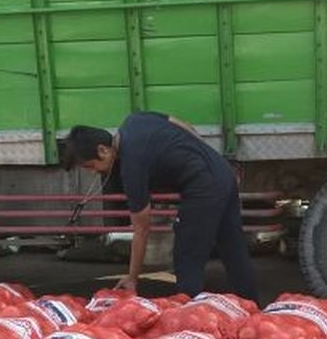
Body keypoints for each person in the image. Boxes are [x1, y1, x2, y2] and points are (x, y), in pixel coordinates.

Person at [62, 111, 258, 302]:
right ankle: (252, 306)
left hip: (202, 187)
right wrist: (197, 155)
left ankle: (192, 315)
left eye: (90, 166)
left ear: (103, 150)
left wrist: (132, 278)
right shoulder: (135, 120)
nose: (93, 173)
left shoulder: (132, 167)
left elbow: (141, 229)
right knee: (233, 246)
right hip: (222, 171)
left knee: (186, 255)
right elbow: (184, 125)